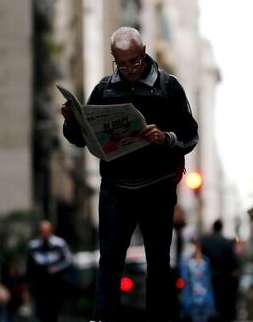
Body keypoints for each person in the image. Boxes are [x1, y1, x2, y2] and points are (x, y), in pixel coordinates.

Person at [61, 27, 199, 322]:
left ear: (144, 51)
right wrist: (73, 122)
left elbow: (190, 135)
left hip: (157, 186)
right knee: (110, 259)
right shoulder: (104, 89)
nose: (129, 69)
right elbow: (79, 138)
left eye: (134, 61)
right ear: (114, 59)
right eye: (121, 63)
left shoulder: (168, 86)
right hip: (115, 186)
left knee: (158, 261)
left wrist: (165, 138)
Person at [26, 220, 73, 322]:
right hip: (40, 285)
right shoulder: (33, 246)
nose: (44, 233)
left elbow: (69, 261)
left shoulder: (59, 244)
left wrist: (57, 268)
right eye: (42, 231)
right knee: (41, 313)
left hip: (55, 285)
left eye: (47, 231)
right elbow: (29, 267)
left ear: (51, 231)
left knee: (53, 312)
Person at [199, 220, 238, 322]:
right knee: (223, 301)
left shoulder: (204, 240)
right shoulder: (227, 242)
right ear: (221, 228)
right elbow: (233, 260)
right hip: (224, 277)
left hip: (208, 276)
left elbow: (200, 257)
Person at [179, 239, 216, 322]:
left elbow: (208, 281)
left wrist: (211, 302)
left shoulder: (205, 261)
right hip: (192, 299)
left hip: (204, 298)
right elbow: (185, 281)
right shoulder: (186, 262)